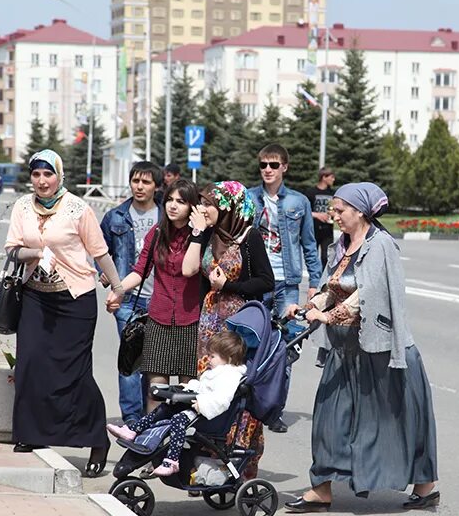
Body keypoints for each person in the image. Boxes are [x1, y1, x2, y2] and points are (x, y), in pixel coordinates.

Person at [282, 182, 439, 513]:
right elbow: (333, 286)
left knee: (397, 422)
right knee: (328, 419)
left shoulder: (380, 245)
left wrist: (327, 316)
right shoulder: (342, 245)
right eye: (333, 210)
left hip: (379, 352)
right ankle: (321, 488)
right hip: (345, 352)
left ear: (360, 211)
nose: (334, 216)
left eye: (340, 210)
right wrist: (307, 307)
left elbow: (366, 295)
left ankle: (425, 486)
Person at [5, 149, 124, 478]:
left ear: (59, 176)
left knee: (75, 374)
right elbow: (12, 248)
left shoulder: (77, 208)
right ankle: (32, 433)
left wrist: (117, 288)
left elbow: (100, 252)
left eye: (48, 174)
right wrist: (37, 252)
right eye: (36, 174)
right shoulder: (22, 207)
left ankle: (96, 439)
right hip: (35, 297)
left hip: (75, 300)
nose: (42, 181)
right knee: (30, 363)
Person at [184, 180, 274, 479]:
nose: (202, 209)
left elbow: (265, 281)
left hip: (239, 325)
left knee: (236, 392)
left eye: (208, 203)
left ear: (228, 207)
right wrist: (197, 233)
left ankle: (239, 463)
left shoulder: (250, 238)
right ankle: (208, 459)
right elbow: (190, 271)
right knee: (209, 386)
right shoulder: (209, 235)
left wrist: (230, 286)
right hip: (209, 322)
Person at [105, 179, 203, 418]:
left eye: (181, 201)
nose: (173, 206)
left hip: (191, 320)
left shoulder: (201, 236)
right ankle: (153, 446)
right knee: (155, 391)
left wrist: (199, 232)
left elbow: (192, 270)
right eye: (169, 199)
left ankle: (179, 447)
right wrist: (118, 289)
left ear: (192, 206)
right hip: (158, 318)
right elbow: (140, 270)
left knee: (188, 392)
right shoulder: (157, 233)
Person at [249, 143, 322, 433]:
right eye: (264, 165)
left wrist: (314, 284)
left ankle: (274, 410)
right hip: (256, 281)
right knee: (252, 344)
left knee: (284, 347)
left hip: (287, 284)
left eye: (274, 165)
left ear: (285, 168)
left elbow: (308, 244)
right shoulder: (249, 197)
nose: (268, 169)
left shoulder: (298, 202)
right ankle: (251, 405)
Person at [107, 331, 247, 477]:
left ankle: (171, 461)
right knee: (166, 407)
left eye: (212, 356)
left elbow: (222, 400)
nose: (208, 359)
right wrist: (189, 388)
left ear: (229, 358)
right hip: (197, 409)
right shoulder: (215, 372)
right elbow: (202, 388)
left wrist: (203, 403)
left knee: (178, 420)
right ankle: (133, 430)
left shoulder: (230, 376)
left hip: (209, 417)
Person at [99, 161, 163, 428]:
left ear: (156, 186)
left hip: (159, 300)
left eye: (146, 182)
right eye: (135, 181)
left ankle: (152, 418)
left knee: (154, 364)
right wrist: (105, 273)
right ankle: (132, 420)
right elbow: (99, 249)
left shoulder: (166, 216)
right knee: (130, 362)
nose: (139, 186)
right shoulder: (115, 216)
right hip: (127, 300)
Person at [300, 167, 337, 269]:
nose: (333, 179)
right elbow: (303, 211)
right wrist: (317, 215)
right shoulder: (310, 192)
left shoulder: (333, 194)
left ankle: (323, 281)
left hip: (328, 230)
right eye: (331, 177)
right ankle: (314, 279)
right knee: (313, 257)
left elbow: (337, 209)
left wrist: (334, 214)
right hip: (313, 230)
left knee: (326, 257)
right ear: (324, 177)